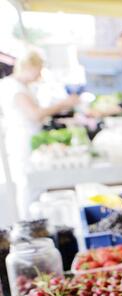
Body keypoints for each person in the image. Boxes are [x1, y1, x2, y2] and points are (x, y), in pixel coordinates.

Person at [0, 51, 78, 218]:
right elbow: (35, 114)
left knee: (32, 184)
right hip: (23, 141)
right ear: (29, 66)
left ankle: (34, 221)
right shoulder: (14, 87)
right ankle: (29, 224)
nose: (40, 74)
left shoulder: (19, 85)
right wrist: (63, 104)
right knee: (29, 185)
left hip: (28, 139)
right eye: (39, 69)